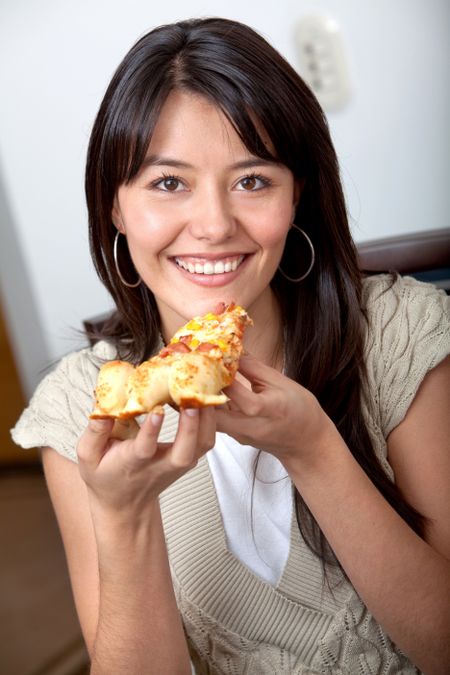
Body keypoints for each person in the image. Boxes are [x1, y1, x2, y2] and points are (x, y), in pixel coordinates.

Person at [12, 16, 450, 675]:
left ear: (296, 193)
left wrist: (314, 450)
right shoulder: (82, 405)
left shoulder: (400, 333)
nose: (214, 226)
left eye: (252, 180)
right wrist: (125, 519)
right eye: (168, 183)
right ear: (114, 207)